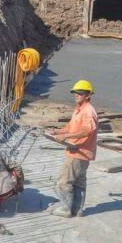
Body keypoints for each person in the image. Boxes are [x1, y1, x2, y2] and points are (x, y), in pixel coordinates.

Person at [46, 80, 98, 218]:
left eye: (80, 93)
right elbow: (70, 127)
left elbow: (87, 131)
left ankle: (66, 209)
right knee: (79, 181)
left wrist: (67, 136)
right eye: (75, 92)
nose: (76, 95)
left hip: (79, 151)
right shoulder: (79, 109)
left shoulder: (88, 111)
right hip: (79, 151)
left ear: (88, 95)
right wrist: (58, 132)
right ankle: (77, 209)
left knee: (64, 180)